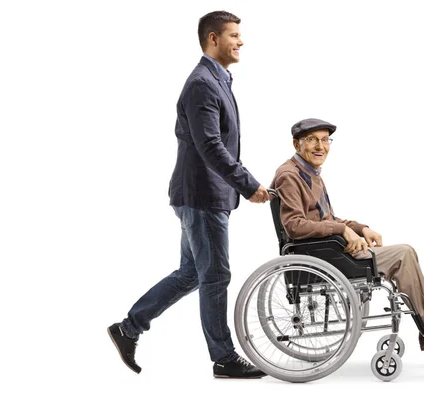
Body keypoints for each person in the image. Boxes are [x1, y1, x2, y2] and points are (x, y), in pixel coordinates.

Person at [108, 11, 268, 378]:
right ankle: (224, 358)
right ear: (213, 39)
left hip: (204, 195)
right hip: (201, 196)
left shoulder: (217, 80)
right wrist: (248, 184)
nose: (240, 42)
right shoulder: (202, 84)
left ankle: (128, 328)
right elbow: (210, 146)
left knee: (192, 273)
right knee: (215, 276)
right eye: (234, 35)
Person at [270, 118, 424, 351]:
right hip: (320, 256)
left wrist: (360, 228)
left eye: (325, 140)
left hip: (328, 250)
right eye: (312, 140)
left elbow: (327, 219)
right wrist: (342, 230)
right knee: (403, 254)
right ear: (296, 144)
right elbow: (295, 226)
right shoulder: (289, 175)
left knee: (405, 253)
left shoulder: (310, 172)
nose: (321, 146)